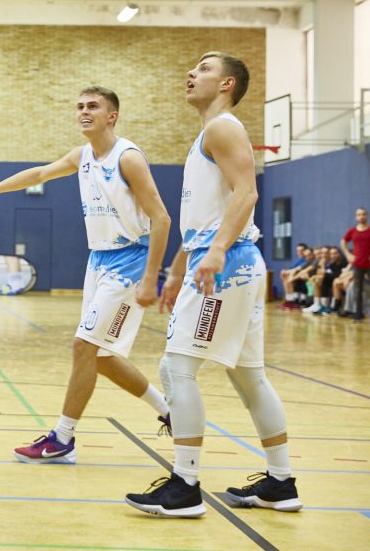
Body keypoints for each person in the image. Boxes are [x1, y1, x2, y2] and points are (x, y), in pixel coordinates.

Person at [126, 52, 302, 517]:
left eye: (203, 68)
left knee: (175, 370)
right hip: (227, 262)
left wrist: (217, 252)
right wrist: (180, 267)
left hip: (226, 265)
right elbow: (205, 217)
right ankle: (281, 482)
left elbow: (247, 193)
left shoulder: (224, 127)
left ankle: (184, 486)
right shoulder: (209, 132)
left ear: (226, 83)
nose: (190, 73)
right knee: (249, 375)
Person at [0, 86, 172, 464]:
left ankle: (62, 438)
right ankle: (171, 411)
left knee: (83, 347)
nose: (84, 112)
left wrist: (151, 276)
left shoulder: (128, 158)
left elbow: (161, 218)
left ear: (112, 116)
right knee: (100, 357)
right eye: (80, 107)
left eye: (93, 107)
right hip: (98, 261)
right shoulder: (82, 155)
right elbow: (40, 172)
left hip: (129, 261)